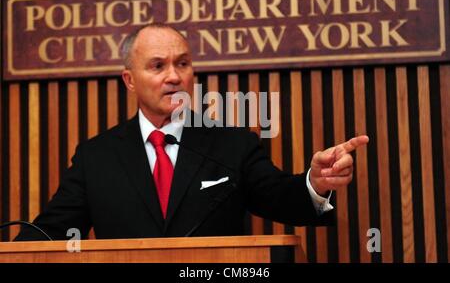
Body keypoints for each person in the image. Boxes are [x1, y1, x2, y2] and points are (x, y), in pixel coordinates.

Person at [15, 24, 369, 241]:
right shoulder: (96, 157)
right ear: (130, 81)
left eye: (182, 64)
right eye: (157, 66)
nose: (174, 76)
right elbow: (49, 231)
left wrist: (316, 182)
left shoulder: (232, 143)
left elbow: (280, 197)